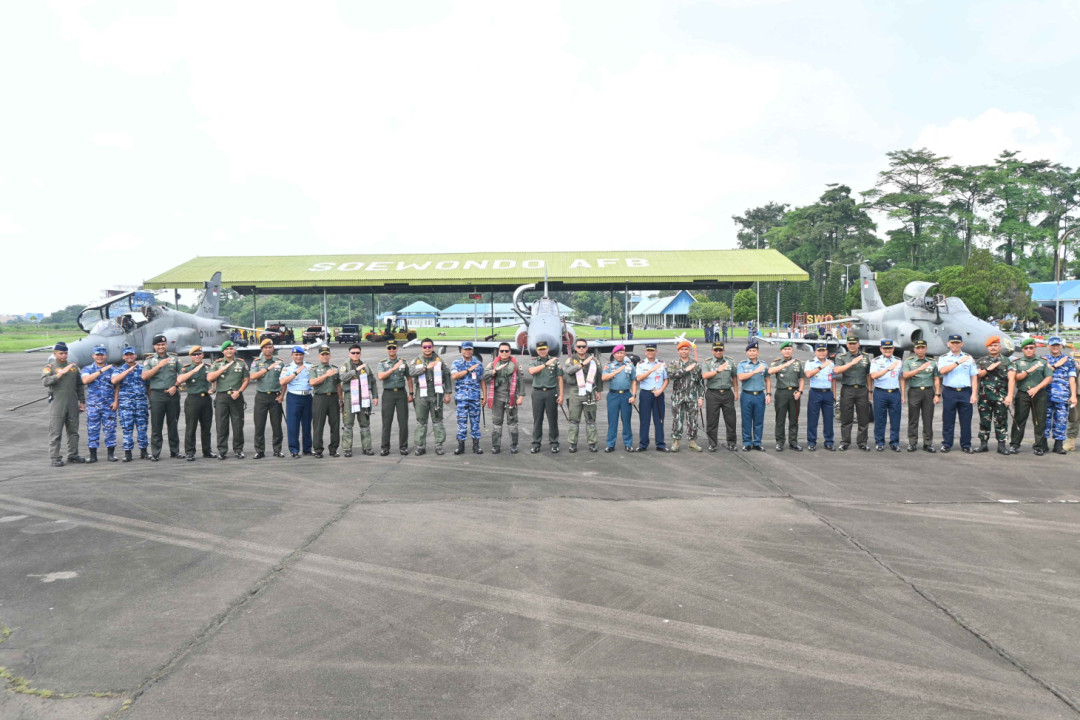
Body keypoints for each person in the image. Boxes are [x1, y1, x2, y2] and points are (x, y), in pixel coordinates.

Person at [41, 342, 86, 466]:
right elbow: (45, 382)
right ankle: (55, 458)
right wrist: (60, 373)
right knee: (56, 432)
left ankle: (73, 455)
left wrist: (82, 402)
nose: (63, 355)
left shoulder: (74, 368)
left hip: (72, 403)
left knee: (73, 431)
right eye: (61, 353)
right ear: (55, 354)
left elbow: (80, 385)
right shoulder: (49, 367)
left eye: (65, 353)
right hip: (57, 404)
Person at [141, 333, 182, 460]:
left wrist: (175, 385)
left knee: (173, 424)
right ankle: (155, 453)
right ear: (154, 346)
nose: (161, 347)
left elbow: (182, 375)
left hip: (172, 394)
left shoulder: (174, 359)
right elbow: (144, 376)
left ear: (167, 345)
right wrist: (159, 365)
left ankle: (175, 451)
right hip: (157, 395)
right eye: (158, 345)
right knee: (156, 426)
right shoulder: (149, 360)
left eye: (163, 344)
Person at [207, 340, 250, 459]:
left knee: (238, 424)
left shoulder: (241, 364)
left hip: (236, 396)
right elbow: (210, 378)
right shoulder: (217, 364)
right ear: (223, 351)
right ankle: (222, 450)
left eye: (231, 349)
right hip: (222, 396)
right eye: (226, 349)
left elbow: (246, 380)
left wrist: (239, 391)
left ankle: (238, 449)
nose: (229, 351)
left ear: (234, 350)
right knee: (221, 425)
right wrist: (222, 369)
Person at [936, 334, 978, 453]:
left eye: (957, 343)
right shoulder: (944, 358)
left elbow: (974, 377)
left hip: (965, 392)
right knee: (948, 420)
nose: (955, 345)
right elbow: (942, 371)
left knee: (966, 420)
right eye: (953, 343)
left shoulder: (968, 358)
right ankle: (947, 444)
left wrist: (974, 394)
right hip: (950, 391)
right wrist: (958, 362)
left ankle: (966, 444)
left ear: (962, 344)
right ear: (948, 344)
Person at [1010, 338, 1052, 456]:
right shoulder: (1017, 362)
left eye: (1031, 348)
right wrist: (1028, 371)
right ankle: (1014, 444)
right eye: (1026, 348)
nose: (1028, 350)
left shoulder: (1043, 362)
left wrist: (1036, 388)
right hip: (1023, 394)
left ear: (1035, 348)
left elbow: (1048, 377)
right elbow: (1016, 378)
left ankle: (1039, 446)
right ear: (1022, 349)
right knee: (1019, 420)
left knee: (1039, 421)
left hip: (1039, 394)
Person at [975, 336, 1016, 455]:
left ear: (1000, 347)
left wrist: (1009, 396)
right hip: (984, 397)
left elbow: (1012, 379)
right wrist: (989, 369)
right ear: (987, 347)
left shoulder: (1007, 361)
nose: (993, 348)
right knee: (984, 421)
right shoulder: (981, 361)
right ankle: (983, 444)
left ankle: (1002, 445)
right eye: (991, 346)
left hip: (1001, 397)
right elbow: (978, 375)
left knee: (1001, 421)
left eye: (995, 345)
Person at [483, 342, 525, 454]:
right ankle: (496, 446)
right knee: (497, 423)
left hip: (510, 397)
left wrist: (521, 396)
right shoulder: (493, 364)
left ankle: (514, 445)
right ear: (499, 352)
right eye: (502, 351)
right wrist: (495, 370)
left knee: (513, 423)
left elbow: (521, 380)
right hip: (497, 397)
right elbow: (484, 375)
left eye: (507, 351)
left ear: (510, 352)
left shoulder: (515, 364)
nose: (504, 353)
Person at [409, 339, 449, 456]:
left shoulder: (439, 360)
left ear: (432, 347)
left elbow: (447, 375)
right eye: (425, 347)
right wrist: (425, 368)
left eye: (429, 347)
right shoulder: (417, 360)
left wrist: (448, 393)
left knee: (437, 420)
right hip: (421, 393)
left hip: (436, 394)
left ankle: (439, 445)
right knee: (421, 421)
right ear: (422, 348)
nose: (427, 349)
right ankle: (420, 446)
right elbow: (411, 372)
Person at [562, 340, 602, 452]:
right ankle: (572, 443)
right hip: (575, 392)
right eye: (579, 346)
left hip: (590, 392)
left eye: (583, 346)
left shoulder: (594, 361)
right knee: (574, 420)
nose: (581, 348)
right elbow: (569, 371)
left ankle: (592, 443)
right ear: (575, 348)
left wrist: (599, 391)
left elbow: (599, 376)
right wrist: (583, 363)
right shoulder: (570, 360)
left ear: (587, 348)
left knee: (590, 420)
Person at [833, 336, 873, 451]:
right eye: (850, 343)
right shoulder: (842, 357)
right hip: (847, 389)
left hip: (862, 390)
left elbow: (868, 375)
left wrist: (870, 390)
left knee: (864, 418)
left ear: (858, 344)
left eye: (854, 343)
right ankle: (845, 442)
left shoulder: (865, 357)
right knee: (846, 417)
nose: (852, 345)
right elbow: (836, 370)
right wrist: (852, 363)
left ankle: (862, 442)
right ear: (847, 344)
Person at [81, 345, 119, 462]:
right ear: (93, 356)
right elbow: (86, 380)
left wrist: (116, 401)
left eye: (102, 355)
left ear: (106, 356)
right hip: (93, 406)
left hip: (109, 405)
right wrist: (101, 370)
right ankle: (93, 455)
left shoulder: (112, 369)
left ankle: (111, 454)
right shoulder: (87, 369)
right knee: (93, 430)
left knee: (110, 430)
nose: (100, 357)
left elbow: (117, 385)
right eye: (97, 355)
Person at [249, 338, 285, 459]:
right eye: (265, 347)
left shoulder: (280, 362)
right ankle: (259, 450)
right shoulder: (256, 362)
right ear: (262, 349)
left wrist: (282, 395)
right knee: (259, 425)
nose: (268, 349)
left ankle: (277, 449)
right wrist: (267, 369)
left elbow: (284, 381)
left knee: (277, 425)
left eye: (270, 347)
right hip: (261, 396)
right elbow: (253, 376)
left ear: (273, 348)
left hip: (275, 396)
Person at [177, 347, 216, 461]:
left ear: (203, 355)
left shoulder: (208, 368)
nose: (197, 356)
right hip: (192, 399)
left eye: (199, 354)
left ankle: (207, 450)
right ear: (191, 356)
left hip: (205, 399)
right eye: (194, 354)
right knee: (191, 427)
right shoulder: (187, 368)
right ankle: (190, 452)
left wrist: (214, 389)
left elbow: (215, 379)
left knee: (206, 427)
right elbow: (180, 380)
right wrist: (193, 371)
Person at [340, 344, 379, 457]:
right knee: (348, 424)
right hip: (350, 397)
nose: (355, 355)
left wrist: (375, 396)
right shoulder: (345, 365)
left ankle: (367, 447)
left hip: (364, 397)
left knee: (365, 423)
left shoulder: (366, 366)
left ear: (360, 353)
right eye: (353, 353)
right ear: (349, 354)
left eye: (357, 353)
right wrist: (354, 371)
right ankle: (347, 449)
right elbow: (342, 378)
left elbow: (373, 381)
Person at [901, 339, 940, 453]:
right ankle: (912, 443)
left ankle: (927, 443)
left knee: (928, 419)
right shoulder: (909, 361)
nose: (920, 350)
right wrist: (919, 369)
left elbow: (936, 378)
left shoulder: (932, 362)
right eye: (918, 348)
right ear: (914, 349)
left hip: (928, 392)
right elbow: (905, 375)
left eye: (923, 348)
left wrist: (937, 394)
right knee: (913, 418)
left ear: (926, 349)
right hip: (914, 391)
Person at [112, 346, 149, 461]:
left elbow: (148, 385)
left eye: (131, 354)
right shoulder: (119, 370)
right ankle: (128, 453)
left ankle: (144, 451)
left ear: (135, 356)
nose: (129, 357)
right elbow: (114, 381)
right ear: (123, 357)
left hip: (141, 403)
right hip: (126, 404)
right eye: (127, 355)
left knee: (142, 428)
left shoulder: (143, 369)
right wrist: (128, 370)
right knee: (127, 428)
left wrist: (149, 400)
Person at [667, 339, 705, 452]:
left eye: (686, 349)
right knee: (677, 419)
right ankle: (676, 442)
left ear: (689, 351)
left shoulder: (695, 364)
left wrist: (701, 397)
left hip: (692, 396)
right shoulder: (674, 363)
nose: (684, 351)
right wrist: (685, 370)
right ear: (678, 351)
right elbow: (672, 375)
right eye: (682, 349)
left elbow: (700, 382)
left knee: (692, 419)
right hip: (678, 396)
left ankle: (692, 442)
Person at [1042, 336, 1077, 455]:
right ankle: (1043, 444)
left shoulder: (1069, 360)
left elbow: (1072, 379)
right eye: (1053, 345)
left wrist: (1073, 396)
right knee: (1044, 420)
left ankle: (1058, 445)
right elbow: (1043, 374)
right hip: (1045, 395)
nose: (1055, 347)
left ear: (1061, 346)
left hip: (1062, 396)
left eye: (1058, 345)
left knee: (1061, 420)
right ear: (1048, 346)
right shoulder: (1043, 359)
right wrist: (1057, 364)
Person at [451, 342, 487, 455]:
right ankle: (460, 445)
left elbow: (482, 380)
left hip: (474, 398)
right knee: (461, 423)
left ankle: (476, 446)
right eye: (465, 349)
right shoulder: (456, 363)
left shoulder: (478, 364)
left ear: (472, 350)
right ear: (461, 350)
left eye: (469, 349)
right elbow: (454, 376)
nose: (467, 351)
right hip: (461, 399)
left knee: (475, 423)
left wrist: (484, 396)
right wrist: (468, 370)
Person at [702, 341, 738, 452]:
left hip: (727, 393)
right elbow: (704, 376)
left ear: (724, 350)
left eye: (720, 350)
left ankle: (731, 443)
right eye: (716, 350)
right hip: (713, 393)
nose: (718, 352)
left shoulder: (730, 361)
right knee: (712, 421)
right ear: (712, 351)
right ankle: (712, 444)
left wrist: (736, 391)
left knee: (731, 420)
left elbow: (734, 377)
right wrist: (717, 370)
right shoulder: (707, 363)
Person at [379, 341, 414, 455]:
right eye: (390, 348)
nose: (392, 350)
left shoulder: (403, 362)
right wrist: (393, 369)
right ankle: (385, 447)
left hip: (401, 393)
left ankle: (403, 446)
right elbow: (380, 377)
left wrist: (411, 393)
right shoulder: (382, 363)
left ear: (397, 349)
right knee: (386, 421)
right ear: (387, 349)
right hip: (388, 394)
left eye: (394, 347)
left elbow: (409, 378)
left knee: (403, 421)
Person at [528, 341, 564, 453]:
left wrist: (561, 395)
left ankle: (554, 443)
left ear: (548, 349)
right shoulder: (534, 362)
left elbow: (560, 378)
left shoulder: (555, 361)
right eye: (540, 349)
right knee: (537, 419)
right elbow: (532, 371)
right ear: (537, 350)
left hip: (551, 392)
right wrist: (546, 364)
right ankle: (536, 443)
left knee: (552, 419)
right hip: (537, 392)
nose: (542, 351)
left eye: (544, 349)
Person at [768, 342, 804, 451]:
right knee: (780, 419)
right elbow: (770, 371)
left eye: (789, 349)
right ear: (781, 351)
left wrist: (800, 391)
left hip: (794, 393)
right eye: (785, 349)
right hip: (781, 393)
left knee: (794, 419)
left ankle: (793, 442)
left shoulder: (798, 363)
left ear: (792, 350)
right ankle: (780, 442)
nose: (787, 351)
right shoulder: (777, 362)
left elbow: (801, 379)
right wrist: (784, 365)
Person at [601, 344, 637, 452]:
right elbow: (603, 378)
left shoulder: (630, 366)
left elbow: (634, 381)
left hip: (626, 395)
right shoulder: (609, 365)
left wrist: (634, 395)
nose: (620, 355)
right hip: (613, 395)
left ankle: (628, 444)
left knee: (626, 420)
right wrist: (616, 371)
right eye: (617, 353)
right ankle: (610, 444)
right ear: (614, 354)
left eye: (622, 352)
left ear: (624, 354)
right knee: (612, 421)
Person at [869, 339, 903, 451]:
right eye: (885, 348)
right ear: (881, 349)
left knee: (895, 419)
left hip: (894, 392)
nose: (887, 350)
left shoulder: (898, 361)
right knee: (880, 419)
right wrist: (888, 369)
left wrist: (902, 394)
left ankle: (894, 442)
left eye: (890, 348)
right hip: (880, 392)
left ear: (893, 349)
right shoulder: (876, 361)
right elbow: (873, 376)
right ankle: (879, 442)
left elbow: (901, 378)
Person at [308, 347, 342, 458]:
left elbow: (338, 385)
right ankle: (318, 449)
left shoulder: (335, 369)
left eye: (327, 354)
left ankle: (333, 449)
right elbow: (312, 382)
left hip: (333, 398)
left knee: (335, 424)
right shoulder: (314, 369)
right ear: (319, 356)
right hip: (320, 398)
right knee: (318, 425)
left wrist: (340, 399)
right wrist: (326, 375)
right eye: (322, 354)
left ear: (330, 356)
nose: (325, 356)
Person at [736, 341, 770, 451]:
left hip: (760, 395)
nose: (752, 353)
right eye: (750, 351)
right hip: (747, 395)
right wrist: (755, 371)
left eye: (754, 350)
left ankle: (757, 442)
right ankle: (747, 442)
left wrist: (768, 394)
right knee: (746, 420)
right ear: (746, 353)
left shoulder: (763, 364)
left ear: (758, 352)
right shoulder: (742, 364)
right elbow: (741, 377)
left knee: (758, 420)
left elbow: (767, 380)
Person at [635, 344, 669, 452]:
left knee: (659, 419)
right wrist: (651, 370)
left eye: (652, 350)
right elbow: (639, 378)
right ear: (645, 352)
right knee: (644, 420)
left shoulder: (662, 364)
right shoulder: (640, 364)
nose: (650, 352)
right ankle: (643, 444)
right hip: (646, 394)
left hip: (658, 394)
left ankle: (660, 444)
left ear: (656, 352)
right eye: (648, 350)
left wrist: (660, 391)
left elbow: (666, 379)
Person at [281, 346, 313, 458]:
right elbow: (283, 382)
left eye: (300, 355)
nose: (298, 357)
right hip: (294, 397)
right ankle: (294, 450)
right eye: (296, 355)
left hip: (308, 397)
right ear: (292, 355)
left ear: (303, 355)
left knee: (307, 424)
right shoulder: (288, 368)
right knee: (293, 425)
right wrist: (295, 373)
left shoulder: (309, 366)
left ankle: (307, 448)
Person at [803, 343, 835, 451]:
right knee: (813, 418)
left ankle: (829, 441)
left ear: (827, 352)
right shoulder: (810, 363)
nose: (821, 353)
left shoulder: (831, 363)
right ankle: (811, 442)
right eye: (819, 351)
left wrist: (834, 394)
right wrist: (821, 367)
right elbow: (808, 375)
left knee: (829, 418)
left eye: (823, 350)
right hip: (815, 392)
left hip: (827, 393)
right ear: (815, 352)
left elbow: (833, 379)